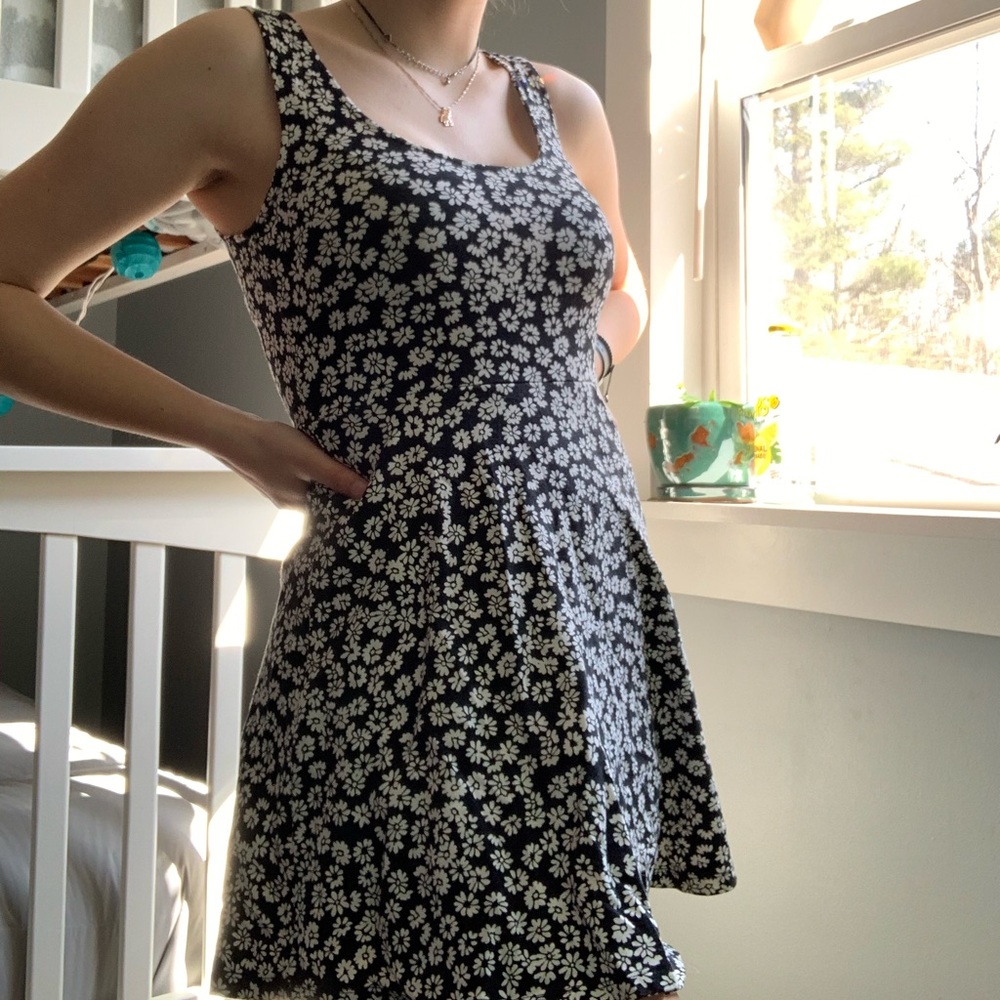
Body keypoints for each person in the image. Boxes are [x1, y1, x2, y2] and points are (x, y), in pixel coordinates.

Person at [0, 2, 735, 997]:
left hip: (590, 594)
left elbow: (623, 286)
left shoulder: (564, 105)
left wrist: (574, 366)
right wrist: (226, 430)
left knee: (590, 950)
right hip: (405, 631)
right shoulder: (241, 63)